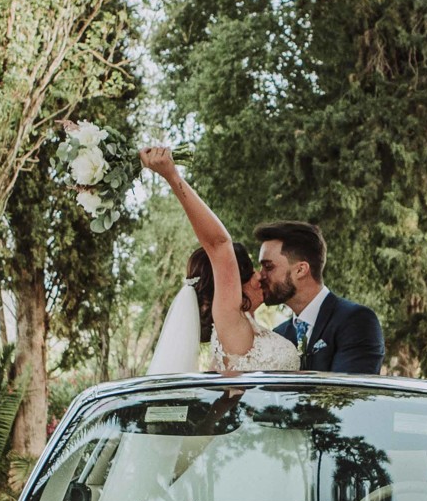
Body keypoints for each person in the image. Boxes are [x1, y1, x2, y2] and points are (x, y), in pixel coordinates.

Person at [140, 147, 299, 374]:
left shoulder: (234, 336)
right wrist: (172, 176)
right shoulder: (231, 322)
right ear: (234, 284)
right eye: (253, 270)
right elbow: (219, 245)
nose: (259, 276)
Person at [256, 220, 385, 374]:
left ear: (301, 270)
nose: (259, 276)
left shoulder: (356, 321)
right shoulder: (279, 334)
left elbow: (348, 394)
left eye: (268, 267)